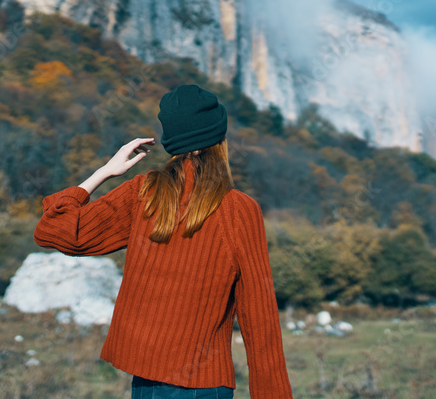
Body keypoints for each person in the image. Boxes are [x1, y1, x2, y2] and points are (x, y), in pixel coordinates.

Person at [34, 83, 294, 398]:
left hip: (146, 383)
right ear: (218, 141)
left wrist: (104, 172)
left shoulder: (143, 193)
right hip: (203, 385)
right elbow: (259, 316)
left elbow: (54, 228)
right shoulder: (239, 210)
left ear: (171, 140)